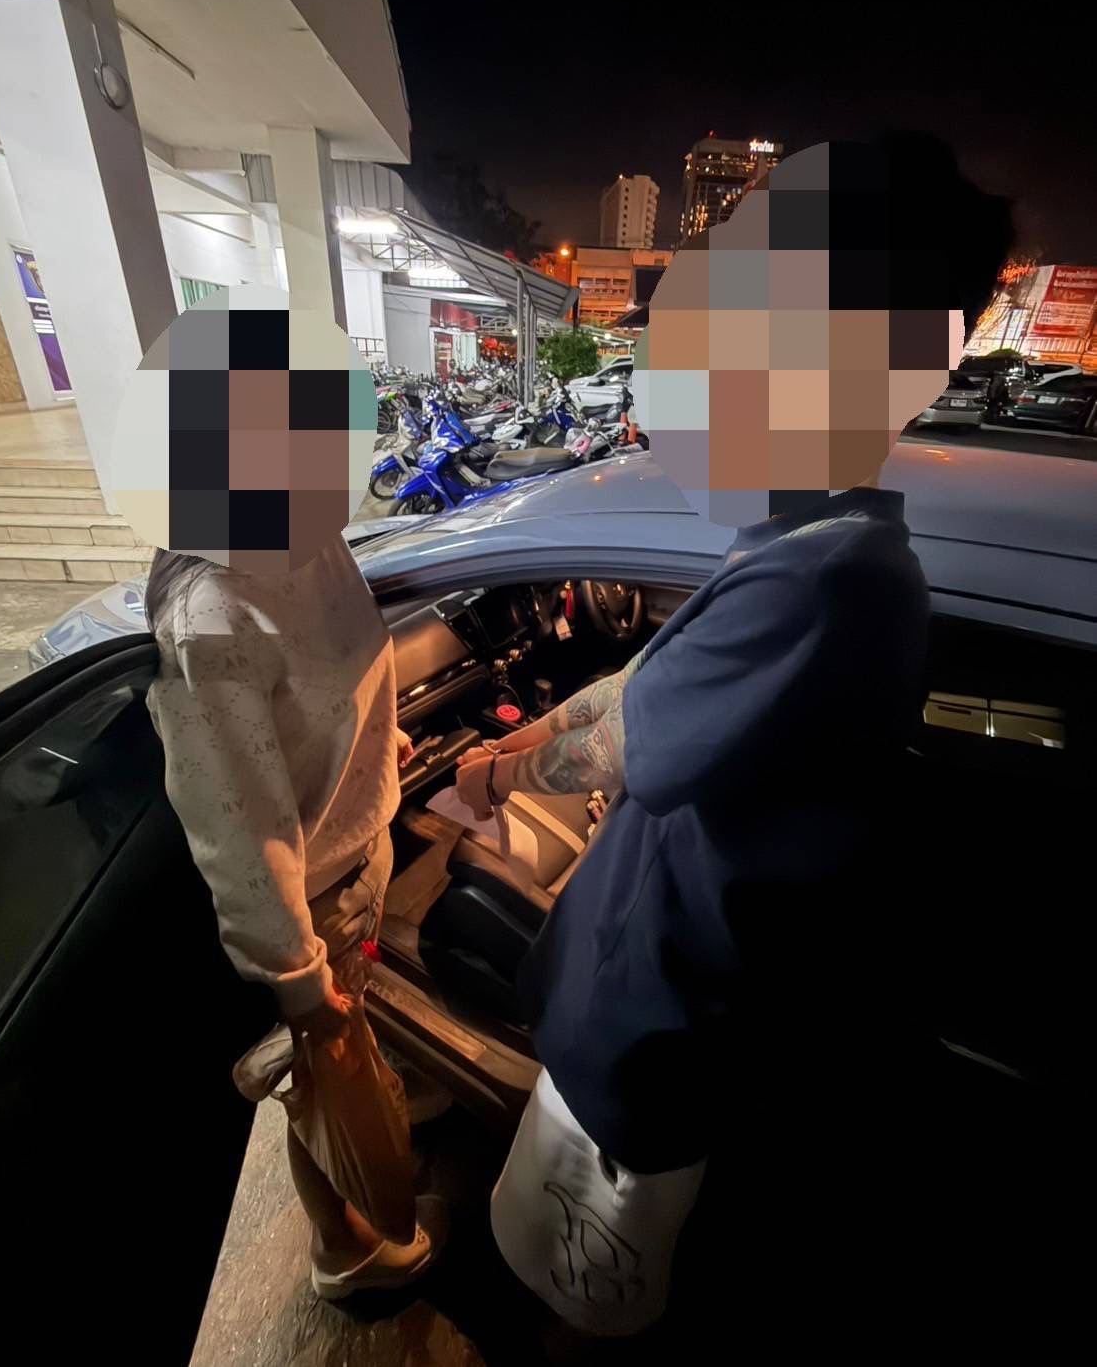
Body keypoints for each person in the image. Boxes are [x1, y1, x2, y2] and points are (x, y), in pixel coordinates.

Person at [455, 133, 1014, 1337]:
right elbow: (637, 687)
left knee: (575, 1299)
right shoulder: (797, 544)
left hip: (657, 1052)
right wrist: (521, 740)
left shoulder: (827, 583)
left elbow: (631, 744)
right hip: (633, 1015)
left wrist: (498, 775)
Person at [145, 528, 447, 1298]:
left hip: (361, 851)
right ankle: (340, 1245)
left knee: (351, 1049)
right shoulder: (209, 615)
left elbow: (335, 664)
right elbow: (240, 835)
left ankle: (370, 1133)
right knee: (324, 1079)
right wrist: (301, 985)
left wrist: (372, 738)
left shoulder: (309, 537)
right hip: (313, 902)